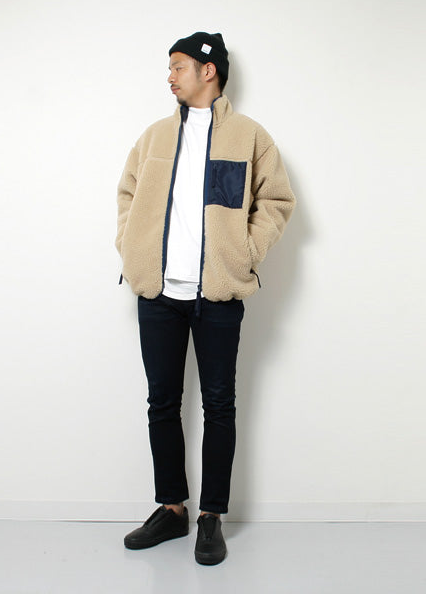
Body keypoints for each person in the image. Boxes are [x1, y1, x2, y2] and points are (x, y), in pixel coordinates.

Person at [116, 31, 296, 565]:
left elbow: (277, 200)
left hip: (217, 293)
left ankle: (211, 516)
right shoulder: (153, 137)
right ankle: (172, 508)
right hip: (158, 293)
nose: (170, 76)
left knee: (219, 405)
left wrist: (246, 251)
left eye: (178, 66)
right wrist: (131, 247)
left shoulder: (249, 136)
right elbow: (126, 195)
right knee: (161, 403)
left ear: (208, 69)